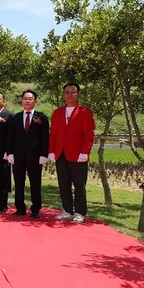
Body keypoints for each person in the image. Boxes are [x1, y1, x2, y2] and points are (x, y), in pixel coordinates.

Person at [48, 83, 95, 223]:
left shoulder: (84, 111)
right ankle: (67, 210)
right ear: (64, 94)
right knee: (64, 183)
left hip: (78, 155)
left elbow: (89, 134)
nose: (70, 94)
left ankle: (80, 212)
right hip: (61, 153)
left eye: (73, 92)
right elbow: (54, 134)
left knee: (79, 184)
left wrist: (85, 151)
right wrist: (51, 151)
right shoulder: (57, 113)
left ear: (77, 94)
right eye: (67, 92)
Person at [6, 90, 50, 218]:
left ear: (35, 101)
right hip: (18, 156)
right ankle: (20, 208)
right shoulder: (16, 117)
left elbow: (45, 138)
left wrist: (44, 154)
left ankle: (35, 209)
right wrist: (10, 153)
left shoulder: (41, 117)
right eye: (25, 98)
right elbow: (10, 137)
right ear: (21, 100)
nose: (27, 101)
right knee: (19, 182)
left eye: (30, 99)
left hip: (35, 156)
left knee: (35, 183)